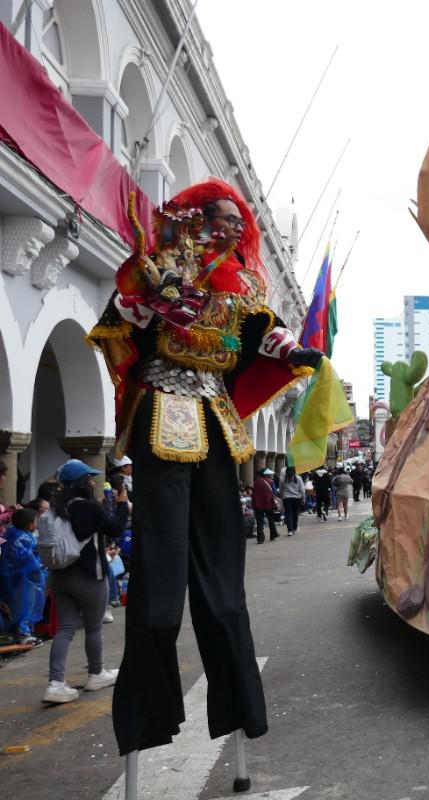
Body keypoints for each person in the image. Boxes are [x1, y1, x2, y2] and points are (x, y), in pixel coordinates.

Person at [86, 179, 323, 754]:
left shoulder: (240, 282)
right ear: (197, 217)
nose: (235, 228)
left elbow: (260, 332)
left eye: (240, 221)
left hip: (215, 416)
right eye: (225, 217)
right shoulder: (165, 259)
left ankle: (238, 706)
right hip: (164, 405)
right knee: (160, 596)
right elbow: (123, 313)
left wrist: (295, 351)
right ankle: (148, 718)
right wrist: (155, 293)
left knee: (223, 593)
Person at [42, 459, 129, 704]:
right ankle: (96, 673)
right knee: (93, 628)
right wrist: (122, 506)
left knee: (65, 629)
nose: (93, 481)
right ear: (81, 483)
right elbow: (116, 529)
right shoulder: (88, 508)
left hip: (59, 577)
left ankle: (55, 683)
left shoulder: (55, 508)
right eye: (89, 478)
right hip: (89, 576)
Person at [1, 507, 46, 644]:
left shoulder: (12, 536)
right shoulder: (25, 538)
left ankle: (15, 632)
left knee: (15, 607)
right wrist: (42, 568)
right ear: (30, 525)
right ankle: (23, 633)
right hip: (26, 580)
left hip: (11, 579)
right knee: (26, 607)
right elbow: (31, 561)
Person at [252, 469, 280, 544]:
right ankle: (273, 535)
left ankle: (260, 539)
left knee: (259, 521)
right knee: (271, 520)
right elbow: (274, 492)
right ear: (266, 474)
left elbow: (254, 493)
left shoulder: (255, 482)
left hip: (258, 504)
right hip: (269, 503)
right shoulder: (270, 482)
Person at [279, 467, 305, 537]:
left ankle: (290, 530)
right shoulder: (298, 478)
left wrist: (281, 496)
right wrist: (303, 498)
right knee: (295, 514)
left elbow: (281, 489)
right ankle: (294, 527)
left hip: (286, 498)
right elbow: (302, 489)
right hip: (297, 498)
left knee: (288, 514)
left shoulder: (283, 479)